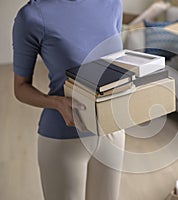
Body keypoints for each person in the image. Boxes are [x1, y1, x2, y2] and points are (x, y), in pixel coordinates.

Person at [13, 0, 125, 199]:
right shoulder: (32, 16)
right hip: (65, 137)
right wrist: (57, 103)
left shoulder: (113, 3)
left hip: (113, 131)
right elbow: (21, 88)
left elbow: (116, 65)